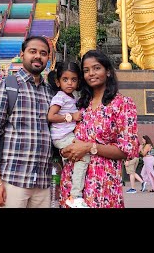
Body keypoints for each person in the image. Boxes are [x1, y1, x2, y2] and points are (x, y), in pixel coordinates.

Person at [60, 50, 140, 208]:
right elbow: (62, 133)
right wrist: (64, 150)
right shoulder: (80, 105)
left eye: (96, 68)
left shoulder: (122, 104)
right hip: (73, 182)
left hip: (103, 184)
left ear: (108, 71)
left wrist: (90, 147)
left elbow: (128, 150)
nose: (91, 74)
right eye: (86, 70)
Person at [0, 36, 53, 208]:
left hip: (43, 183)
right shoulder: (6, 86)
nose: (38, 56)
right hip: (13, 180)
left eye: (43, 53)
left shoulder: (51, 93)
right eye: (33, 51)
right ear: (22, 54)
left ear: (48, 59)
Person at [47, 61, 88, 208]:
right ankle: (76, 196)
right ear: (58, 82)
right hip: (61, 136)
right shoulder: (60, 96)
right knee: (84, 156)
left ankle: (70, 193)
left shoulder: (71, 96)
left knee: (74, 160)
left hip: (66, 135)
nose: (69, 83)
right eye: (65, 79)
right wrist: (71, 116)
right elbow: (51, 116)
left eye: (74, 79)